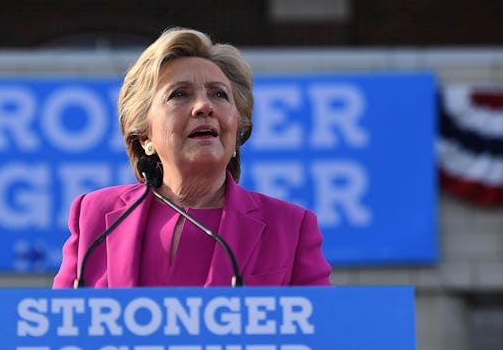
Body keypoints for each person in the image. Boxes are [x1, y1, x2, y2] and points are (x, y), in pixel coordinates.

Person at [53, 27, 331, 289]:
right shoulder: (96, 217)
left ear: (237, 128)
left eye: (219, 94)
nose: (204, 107)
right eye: (180, 94)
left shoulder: (290, 227)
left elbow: (322, 330)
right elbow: (60, 326)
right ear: (144, 137)